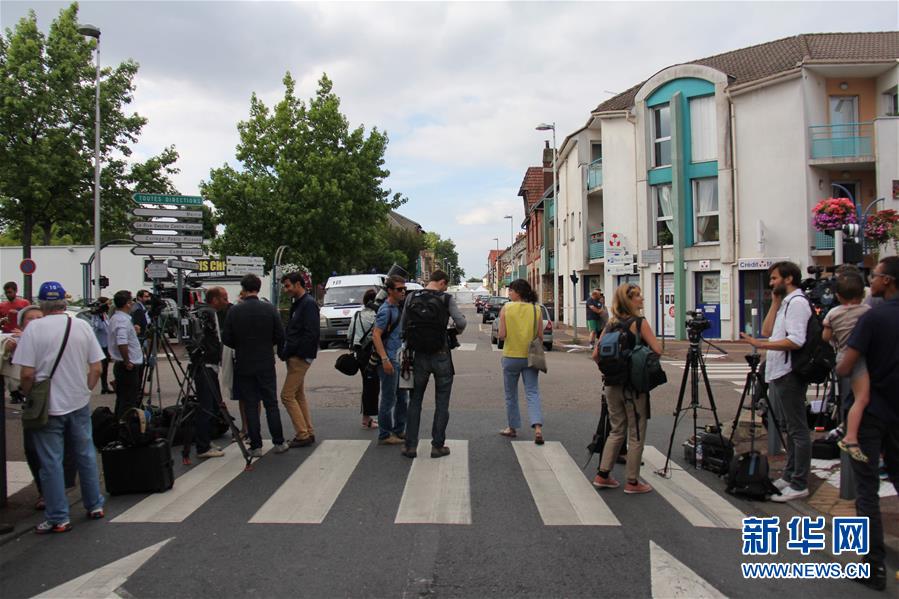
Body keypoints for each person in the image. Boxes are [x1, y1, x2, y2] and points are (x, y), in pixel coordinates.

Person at [12, 281, 105, 534]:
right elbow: (96, 367)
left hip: (48, 406)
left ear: (42, 303)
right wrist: (85, 389)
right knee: (85, 453)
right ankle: (94, 504)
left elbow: (27, 374)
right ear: (64, 301)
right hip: (78, 400)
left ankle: (58, 517)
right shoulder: (81, 326)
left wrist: (30, 394)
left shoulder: (34, 330)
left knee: (51, 461)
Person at [836, 256, 899, 592]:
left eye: (874, 276)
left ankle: (873, 567)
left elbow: (847, 366)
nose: (869, 281)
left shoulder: (874, 319)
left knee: (867, 491)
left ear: (887, 281)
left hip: (872, 413)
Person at [738, 261, 811, 502]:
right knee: (787, 427)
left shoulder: (798, 303)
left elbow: (796, 340)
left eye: (774, 278)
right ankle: (790, 476)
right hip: (778, 372)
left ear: (788, 279)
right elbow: (768, 330)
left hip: (789, 372)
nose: (771, 283)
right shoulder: (786, 303)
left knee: (797, 429)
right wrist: (775, 301)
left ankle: (799, 482)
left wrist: (760, 345)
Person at [590, 283, 662, 494]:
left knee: (616, 429)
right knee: (636, 433)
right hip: (633, 387)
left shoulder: (611, 324)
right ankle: (632, 481)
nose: (641, 299)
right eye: (637, 296)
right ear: (629, 301)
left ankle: (603, 475)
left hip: (612, 384)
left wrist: (613, 368)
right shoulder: (639, 323)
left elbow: (596, 355)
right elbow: (657, 349)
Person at [399, 270, 466, 459]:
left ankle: (410, 446)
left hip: (418, 355)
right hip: (441, 354)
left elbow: (403, 326)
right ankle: (437, 446)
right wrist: (455, 331)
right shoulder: (446, 298)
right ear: (442, 282)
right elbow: (461, 322)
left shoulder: (412, 296)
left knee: (415, 401)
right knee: (442, 402)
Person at [223, 274, 289, 457]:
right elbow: (280, 335)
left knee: (251, 405)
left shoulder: (235, 311)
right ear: (258, 288)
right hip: (265, 362)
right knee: (271, 404)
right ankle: (279, 442)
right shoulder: (269, 309)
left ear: (243, 289)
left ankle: (256, 445)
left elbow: (227, 338)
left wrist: (241, 345)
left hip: (244, 362)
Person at [820, 272, 870, 462]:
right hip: (858, 357)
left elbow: (825, 337)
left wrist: (836, 339)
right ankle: (849, 433)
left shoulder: (833, 313)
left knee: (846, 396)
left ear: (838, 296)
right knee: (862, 398)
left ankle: (845, 424)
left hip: (841, 356)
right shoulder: (867, 311)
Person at [497, 279, 545, 444]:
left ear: (518, 292)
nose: (509, 294)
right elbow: (540, 336)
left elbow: (502, 335)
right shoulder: (536, 309)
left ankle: (512, 428)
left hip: (511, 355)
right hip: (530, 357)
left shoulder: (507, 308)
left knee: (511, 395)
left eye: (511, 291)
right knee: (532, 392)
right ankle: (537, 428)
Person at [279, 271, 319, 448]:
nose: (286, 289)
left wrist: (296, 352)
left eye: (288, 285)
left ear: (298, 284)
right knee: (297, 395)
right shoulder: (301, 303)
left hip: (299, 356)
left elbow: (310, 333)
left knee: (286, 396)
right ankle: (307, 431)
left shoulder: (307, 304)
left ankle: (302, 434)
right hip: (298, 354)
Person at [191, 288, 228, 459]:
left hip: (207, 364)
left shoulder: (204, 312)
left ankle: (205, 440)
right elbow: (211, 339)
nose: (226, 301)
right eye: (224, 298)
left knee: (211, 404)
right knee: (206, 406)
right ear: (214, 300)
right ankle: (203, 446)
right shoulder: (208, 313)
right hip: (206, 365)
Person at [372, 275, 408, 446]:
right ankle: (385, 434)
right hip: (389, 359)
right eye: (399, 289)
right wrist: (384, 359)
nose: (403, 292)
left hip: (399, 357)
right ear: (390, 291)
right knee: (388, 398)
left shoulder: (398, 307)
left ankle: (399, 429)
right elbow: (376, 335)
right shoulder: (386, 310)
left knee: (403, 397)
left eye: (404, 289)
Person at [108, 290, 144, 417]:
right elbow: (121, 342)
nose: (133, 303)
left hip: (122, 364)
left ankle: (119, 426)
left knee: (123, 399)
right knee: (129, 401)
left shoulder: (117, 318)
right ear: (128, 304)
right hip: (128, 365)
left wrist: (133, 331)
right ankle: (126, 429)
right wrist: (127, 361)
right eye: (132, 301)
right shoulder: (122, 320)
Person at [347, 288, 379, 429]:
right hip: (372, 354)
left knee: (367, 385)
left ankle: (367, 417)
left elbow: (350, 335)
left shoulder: (357, 315)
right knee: (373, 386)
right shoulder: (377, 316)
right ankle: (369, 418)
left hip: (360, 354)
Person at [90, 297, 112, 394]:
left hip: (106, 344)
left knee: (106, 366)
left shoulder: (104, 314)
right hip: (100, 345)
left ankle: (105, 386)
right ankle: (103, 386)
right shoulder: (97, 316)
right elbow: (101, 327)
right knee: (101, 367)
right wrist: (101, 318)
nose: (109, 306)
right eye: (107, 304)